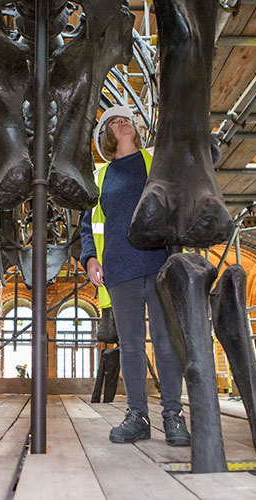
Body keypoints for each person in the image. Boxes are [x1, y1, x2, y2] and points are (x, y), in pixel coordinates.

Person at [80, 106, 191, 446]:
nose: (121, 121)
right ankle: (137, 416)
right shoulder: (99, 177)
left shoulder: (154, 160)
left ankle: (173, 415)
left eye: (125, 117)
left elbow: (195, 163)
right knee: (130, 346)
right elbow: (88, 226)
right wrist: (90, 259)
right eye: (112, 121)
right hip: (120, 268)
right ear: (105, 137)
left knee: (165, 343)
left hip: (160, 263)